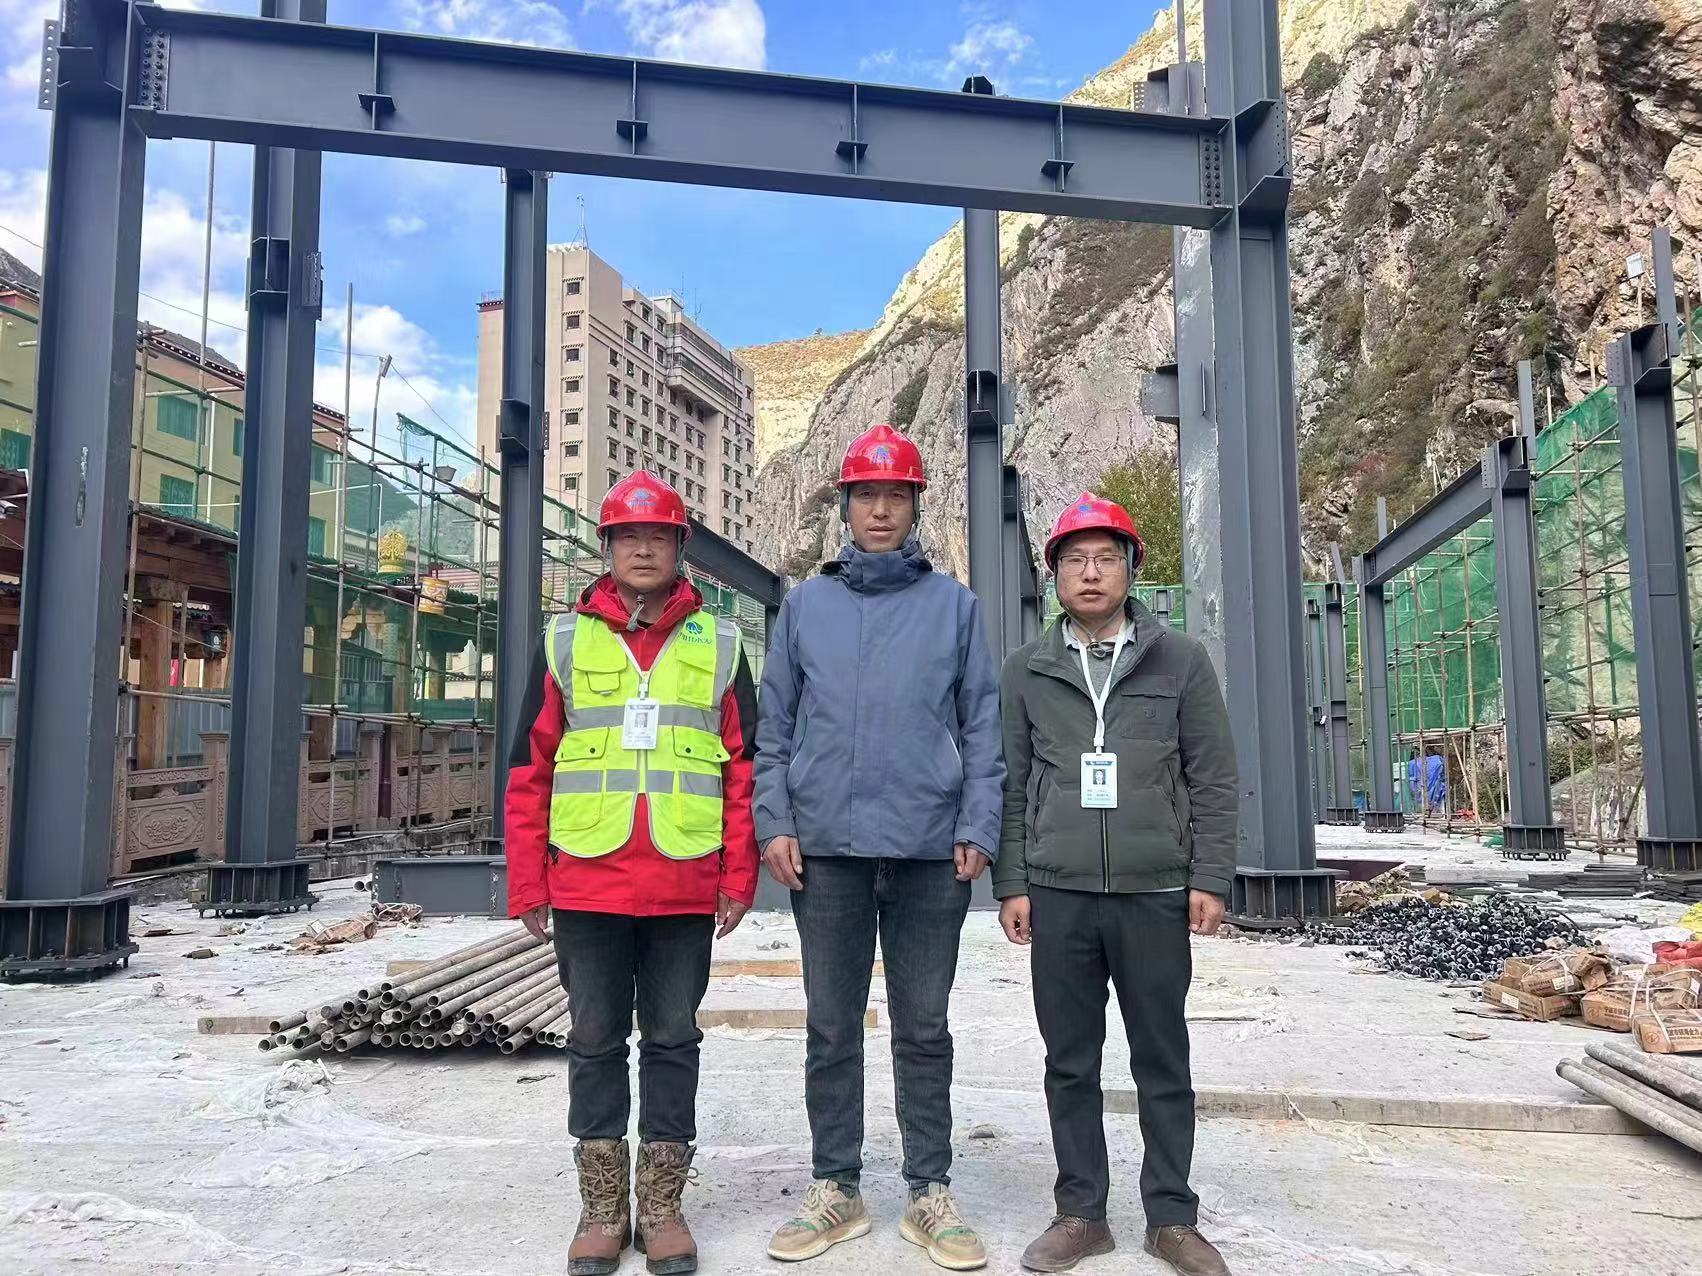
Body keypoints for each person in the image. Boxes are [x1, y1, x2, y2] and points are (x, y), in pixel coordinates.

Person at [754, 424, 1004, 1271]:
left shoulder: (955, 607)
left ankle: (929, 1190)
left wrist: (978, 823)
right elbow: (774, 728)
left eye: (897, 495)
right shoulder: (806, 607)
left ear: (915, 506)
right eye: (868, 494)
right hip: (825, 851)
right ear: (846, 506)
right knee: (831, 1026)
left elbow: (982, 726)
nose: (882, 510)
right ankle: (838, 1186)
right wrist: (775, 821)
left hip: (932, 850)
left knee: (923, 1026)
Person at [503, 470, 759, 1276]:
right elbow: (529, 768)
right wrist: (526, 879)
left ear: (681, 548)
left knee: (674, 1037)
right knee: (593, 1039)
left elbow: (744, 770)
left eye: (658, 536)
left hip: (684, 882)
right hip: (588, 880)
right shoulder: (564, 642)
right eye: (628, 536)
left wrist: (739, 875)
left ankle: (663, 1206)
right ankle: (603, 1208)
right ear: (607, 547)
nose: (643, 549)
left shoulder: (720, 644)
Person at [993, 494, 1238, 1276]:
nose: (1091, 573)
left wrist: (1209, 875)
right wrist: (1013, 882)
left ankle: (1172, 1217)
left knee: (1161, 1057)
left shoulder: (1181, 661)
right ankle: (1081, 1213)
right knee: (1069, 1060)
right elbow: (1010, 782)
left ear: (1132, 568)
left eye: (1106, 558)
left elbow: (1213, 776)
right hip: (1059, 893)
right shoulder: (1027, 670)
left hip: (1154, 891)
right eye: (1075, 560)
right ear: (1055, 576)